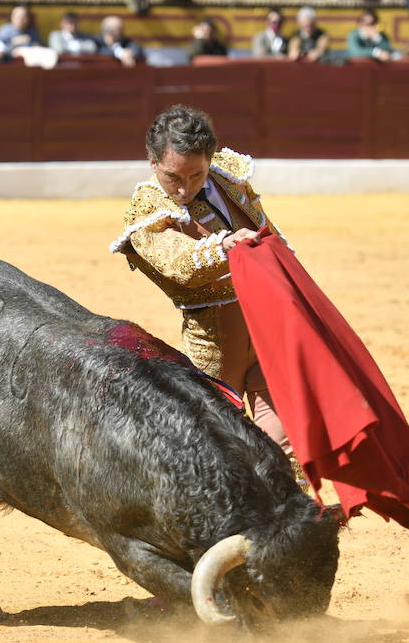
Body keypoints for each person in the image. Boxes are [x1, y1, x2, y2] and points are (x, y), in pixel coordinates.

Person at [111, 105, 298, 473]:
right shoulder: (149, 210)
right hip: (213, 345)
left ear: (210, 161)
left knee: (284, 453)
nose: (184, 188)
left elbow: (270, 235)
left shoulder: (228, 180)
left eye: (196, 175)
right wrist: (223, 246)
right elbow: (177, 263)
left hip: (265, 330)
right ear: (152, 163)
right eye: (172, 177)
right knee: (211, 453)